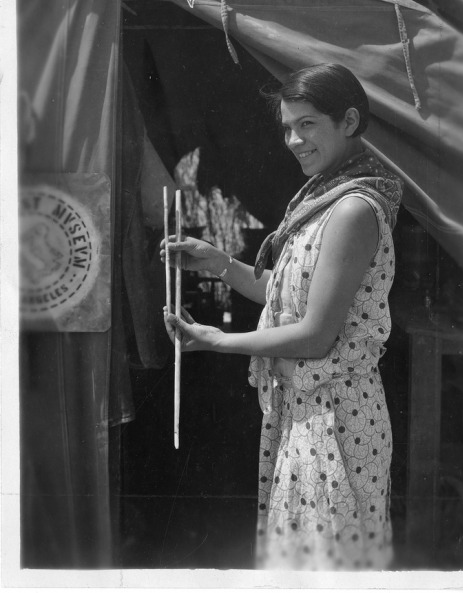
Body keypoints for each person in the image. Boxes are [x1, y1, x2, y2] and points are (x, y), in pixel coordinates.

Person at [161, 63, 403, 571]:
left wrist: (218, 342)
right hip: (305, 412)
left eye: (308, 124)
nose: (293, 140)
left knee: (327, 567)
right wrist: (219, 262)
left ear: (350, 120)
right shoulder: (322, 198)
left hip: (338, 420)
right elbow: (290, 295)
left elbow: (315, 335)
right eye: (287, 128)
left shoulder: (354, 209)